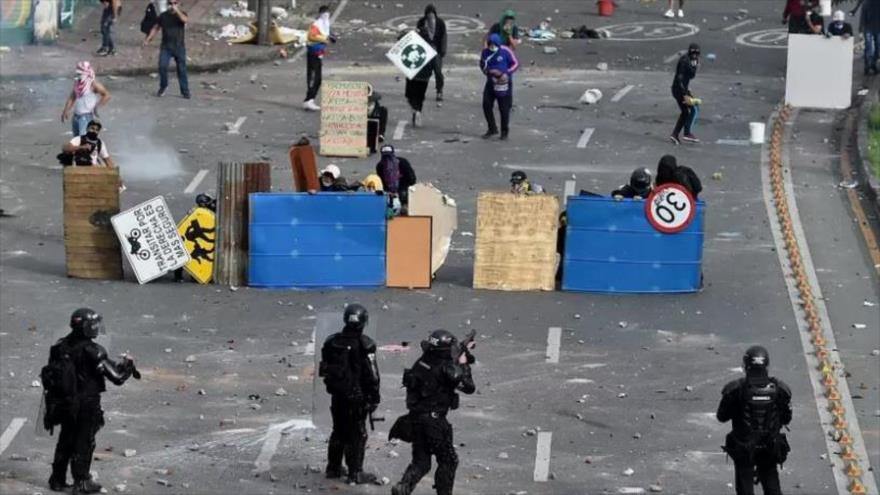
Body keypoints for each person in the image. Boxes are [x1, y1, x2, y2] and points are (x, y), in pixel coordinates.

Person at [42, 309, 138, 494]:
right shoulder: (93, 351)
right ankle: (82, 482)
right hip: (86, 402)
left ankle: (57, 479)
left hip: (65, 402)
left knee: (66, 440)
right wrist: (128, 365)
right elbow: (117, 377)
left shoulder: (60, 346)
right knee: (84, 442)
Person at [391, 330, 475, 495]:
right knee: (449, 461)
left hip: (415, 419)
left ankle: (403, 487)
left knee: (421, 462)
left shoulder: (422, 362)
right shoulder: (447, 368)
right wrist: (464, 363)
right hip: (434, 423)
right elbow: (469, 387)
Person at [318, 304, 380, 485]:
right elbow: (372, 374)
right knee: (358, 434)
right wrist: (374, 397)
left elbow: (325, 369)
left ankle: (333, 467)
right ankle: (356, 472)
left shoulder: (331, 342)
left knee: (338, 431)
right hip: (357, 397)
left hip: (337, 396)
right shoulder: (365, 344)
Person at [717, 346, 792, 495]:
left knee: (745, 486)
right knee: (772, 483)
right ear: (767, 365)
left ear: (745, 365)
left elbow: (722, 417)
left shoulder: (734, 389)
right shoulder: (780, 389)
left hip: (743, 447)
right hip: (770, 446)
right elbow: (787, 418)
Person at [143, 0, 191, 99]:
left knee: (182, 69)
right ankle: (163, 86)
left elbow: (185, 20)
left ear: (178, 4)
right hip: (166, 47)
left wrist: (177, 10)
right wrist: (148, 39)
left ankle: (185, 91)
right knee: (162, 66)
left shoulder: (182, 14)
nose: (172, 5)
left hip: (179, 46)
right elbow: (156, 28)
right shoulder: (163, 16)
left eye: (175, 3)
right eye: (170, 3)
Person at [480, 33, 519, 140]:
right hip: (491, 82)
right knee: (486, 104)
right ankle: (492, 128)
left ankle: (504, 131)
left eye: (494, 44)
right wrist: (489, 73)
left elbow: (515, 63)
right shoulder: (485, 53)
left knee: (504, 108)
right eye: (490, 44)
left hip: (504, 83)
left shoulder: (506, 51)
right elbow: (483, 66)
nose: (492, 47)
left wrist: (506, 73)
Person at [61, 61, 111, 137]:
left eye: (80, 74)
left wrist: (97, 107)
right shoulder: (77, 84)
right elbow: (72, 97)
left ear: (86, 73)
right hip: (76, 116)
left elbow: (106, 95)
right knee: (77, 140)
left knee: (84, 140)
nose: (78, 75)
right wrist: (66, 110)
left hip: (86, 116)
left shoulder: (93, 84)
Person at [303, 5, 336, 111]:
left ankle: (310, 99)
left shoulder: (325, 24)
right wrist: (325, 38)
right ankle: (308, 100)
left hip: (319, 52)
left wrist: (331, 37)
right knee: (314, 77)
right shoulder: (317, 24)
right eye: (325, 14)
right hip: (313, 52)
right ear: (321, 14)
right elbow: (311, 36)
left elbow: (326, 33)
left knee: (318, 78)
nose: (327, 16)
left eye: (328, 14)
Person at [669, 43, 700, 145]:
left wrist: (695, 66)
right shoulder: (684, 61)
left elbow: (691, 76)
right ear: (690, 52)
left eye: (697, 54)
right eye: (693, 53)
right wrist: (685, 94)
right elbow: (680, 78)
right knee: (694, 109)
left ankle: (675, 135)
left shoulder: (693, 61)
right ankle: (687, 133)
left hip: (681, 89)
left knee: (686, 112)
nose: (695, 56)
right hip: (679, 90)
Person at [416, 4, 447, 102]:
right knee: (423, 74)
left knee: (438, 72)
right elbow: (417, 36)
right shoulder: (422, 23)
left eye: (432, 16)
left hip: (436, 51)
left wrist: (442, 51)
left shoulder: (440, 23)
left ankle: (439, 91)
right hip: (425, 51)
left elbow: (443, 37)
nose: (431, 18)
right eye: (429, 16)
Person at [376, 144, 417, 212]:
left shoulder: (403, 163)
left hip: (403, 191)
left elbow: (411, 179)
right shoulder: (380, 166)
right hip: (390, 193)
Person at [852, 0, 880, 75]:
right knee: (868, 48)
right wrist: (860, 30)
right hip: (868, 29)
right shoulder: (866, 3)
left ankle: (873, 64)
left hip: (878, 29)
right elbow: (862, 17)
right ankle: (867, 66)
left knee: (878, 49)